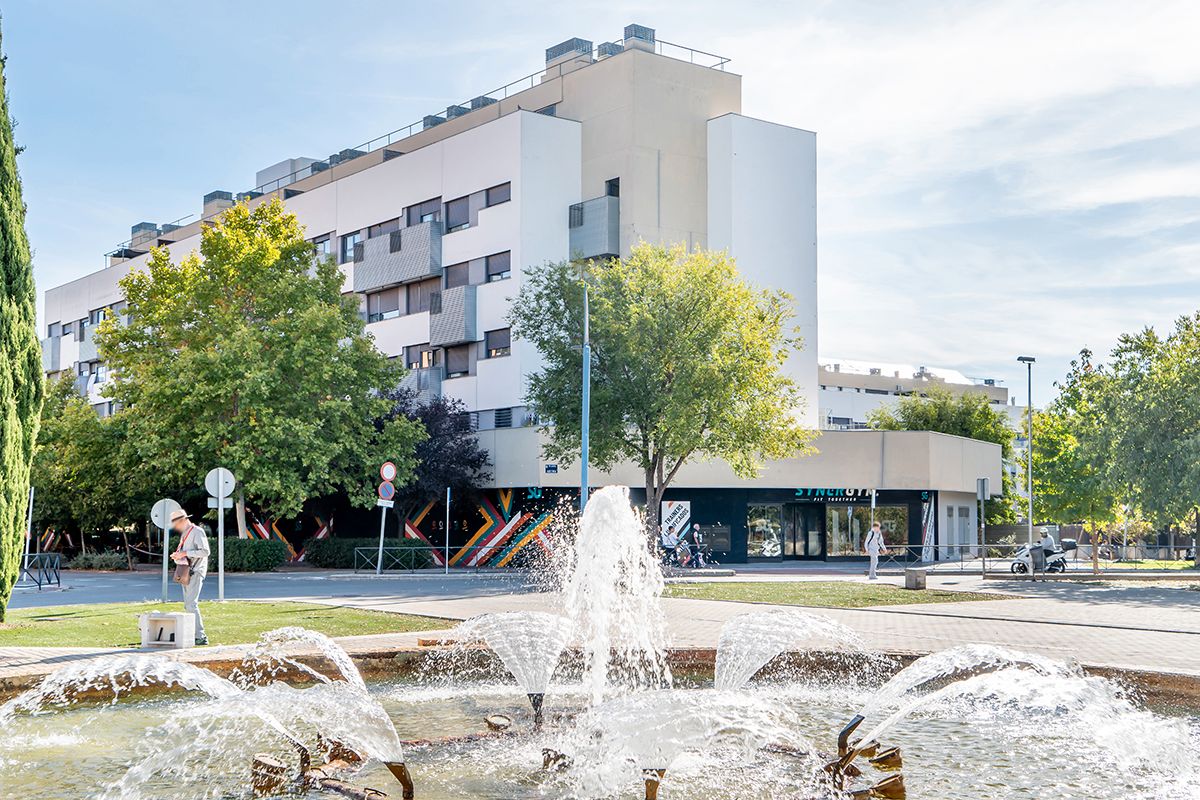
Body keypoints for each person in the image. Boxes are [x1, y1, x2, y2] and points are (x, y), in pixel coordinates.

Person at [170, 509, 210, 645]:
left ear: (183, 520)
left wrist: (184, 553)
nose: (176, 527)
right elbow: (186, 553)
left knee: (191, 604)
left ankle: (201, 636)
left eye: (176, 524)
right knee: (188, 605)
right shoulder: (185, 533)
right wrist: (178, 555)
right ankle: (194, 634)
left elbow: (205, 551)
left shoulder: (197, 531)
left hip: (196, 571)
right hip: (187, 571)